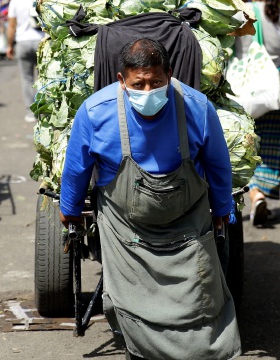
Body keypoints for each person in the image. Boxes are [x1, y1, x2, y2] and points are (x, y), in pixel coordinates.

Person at [59, 38, 241, 360]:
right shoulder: (95, 111)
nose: (147, 91)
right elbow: (76, 167)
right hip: (124, 226)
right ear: (121, 81)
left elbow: (218, 163)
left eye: (156, 82)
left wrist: (223, 208)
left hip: (188, 221)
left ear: (169, 74)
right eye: (138, 84)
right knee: (132, 300)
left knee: (201, 298)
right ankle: (142, 350)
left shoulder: (197, 108)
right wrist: (70, 209)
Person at [234, 0, 280, 227]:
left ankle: (255, 194)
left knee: (246, 148)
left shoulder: (242, 11)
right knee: (270, 151)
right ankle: (262, 197)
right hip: (279, 91)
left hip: (247, 90)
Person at [6, 0, 44, 123]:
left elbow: (11, 25)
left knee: (27, 79)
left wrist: (10, 45)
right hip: (42, 41)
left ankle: (30, 112)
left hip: (22, 41)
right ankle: (45, 110)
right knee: (43, 78)